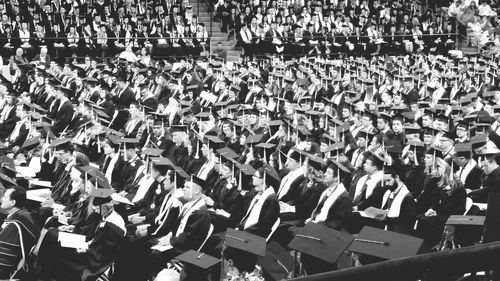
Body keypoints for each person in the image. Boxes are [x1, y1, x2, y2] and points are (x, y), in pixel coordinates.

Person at [0, 187, 40, 279]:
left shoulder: (14, 226)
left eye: (5, 197)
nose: (2, 199)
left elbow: (4, 262)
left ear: (12, 202)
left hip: (9, 272)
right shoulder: (24, 214)